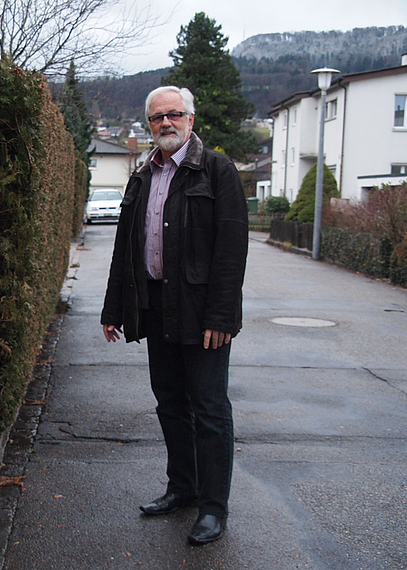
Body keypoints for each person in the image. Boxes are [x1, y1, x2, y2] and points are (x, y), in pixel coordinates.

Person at [100, 86, 248, 545]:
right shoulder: (144, 173)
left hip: (203, 313)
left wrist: (221, 317)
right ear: (148, 125)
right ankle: (182, 488)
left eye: (174, 115)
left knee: (209, 408)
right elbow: (125, 247)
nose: (166, 123)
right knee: (170, 404)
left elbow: (231, 249)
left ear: (190, 117)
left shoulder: (217, 169)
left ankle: (212, 507)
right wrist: (113, 307)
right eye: (157, 118)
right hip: (155, 306)